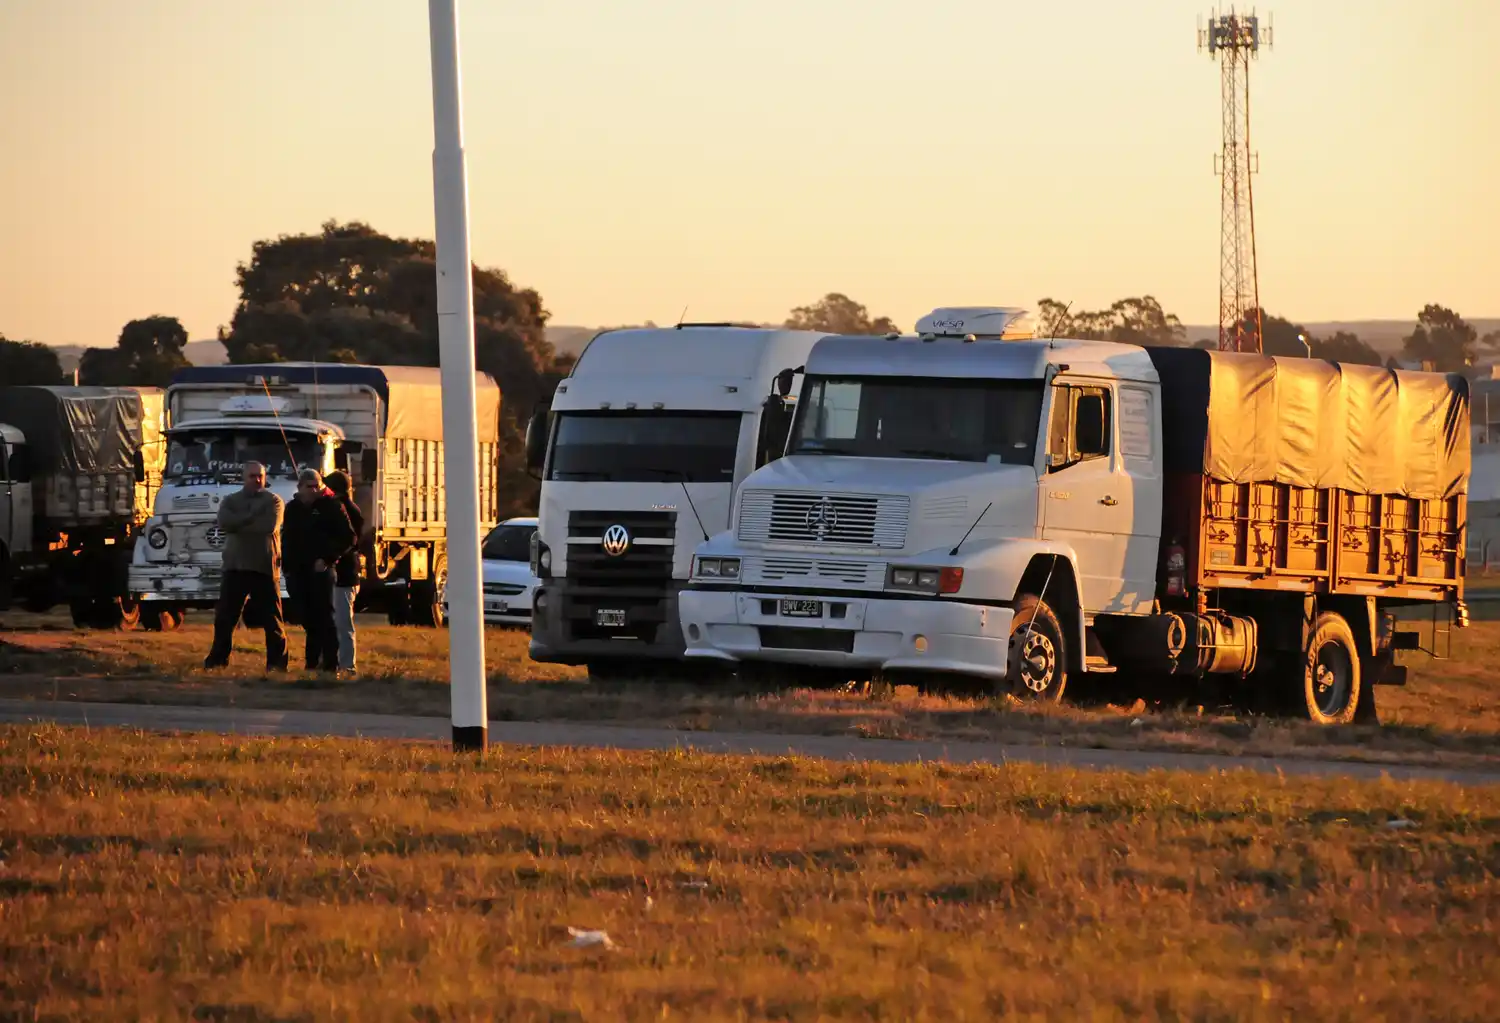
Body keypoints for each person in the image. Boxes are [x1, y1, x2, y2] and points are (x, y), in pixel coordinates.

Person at [204, 461, 289, 671]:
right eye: (252, 476)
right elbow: (224, 523)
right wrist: (251, 517)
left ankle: (277, 664)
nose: (257, 480)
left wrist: (239, 523)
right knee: (225, 619)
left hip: (264, 567)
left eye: (260, 476)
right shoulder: (231, 500)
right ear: (244, 477)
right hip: (235, 567)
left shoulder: (274, 501)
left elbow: (268, 526)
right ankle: (217, 661)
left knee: (272, 620)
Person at [281, 467, 355, 673]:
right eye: (309, 487)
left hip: (322, 570)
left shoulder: (332, 506)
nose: (314, 490)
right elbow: (287, 538)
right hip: (297, 571)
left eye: (317, 486)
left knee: (325, 617)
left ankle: (330, 664)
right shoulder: (292, 508)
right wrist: (286, 566)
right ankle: (312, 663)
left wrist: (328, 558)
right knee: (306, 618)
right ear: (300, 487)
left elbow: (349, 537)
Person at [323, 469, 364, 675]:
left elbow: (349, 541)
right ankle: (336, 663)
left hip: (345, 574)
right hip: (344, 573)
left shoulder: (345, 509)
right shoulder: (348, 507)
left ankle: (348, 666)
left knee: (343, 622)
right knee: (337, 621)